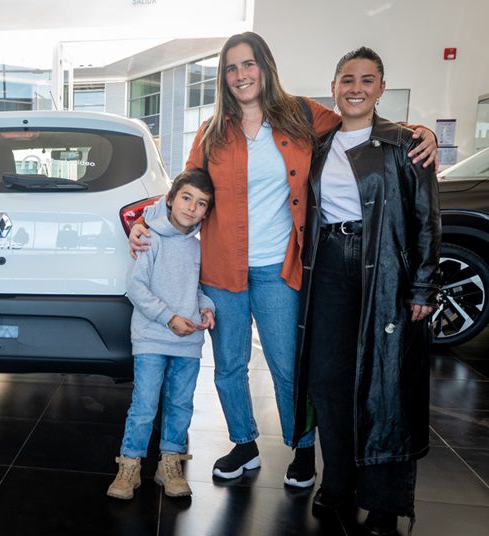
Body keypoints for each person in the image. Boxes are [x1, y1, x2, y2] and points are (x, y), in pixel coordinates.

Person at [129, 32, 438, 488]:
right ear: (224, 77)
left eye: (248, 64)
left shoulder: (302, 115)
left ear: (265, 67)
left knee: (287, 364)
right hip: (222, 271)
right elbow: (185, 189)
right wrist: (145, 223)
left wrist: (417, 132)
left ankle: (303, 446)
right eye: (232, 68)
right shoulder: (213, 130)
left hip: (281, 267)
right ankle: (244, 444)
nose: (241, 75)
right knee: (230, 365)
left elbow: (362, 120)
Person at [292, 47, 440, 536]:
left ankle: (385, 501)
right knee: (329, 379)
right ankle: (339, 482)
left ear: (380, 87)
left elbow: (425, 217)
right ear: (333, 86)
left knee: (386, 382)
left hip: (387, 275)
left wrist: (422, 285)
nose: (355, 87)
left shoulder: (404, 143)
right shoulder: (320, 141)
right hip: (330, 266)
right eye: (346, 78)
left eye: (367, 79)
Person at [107, 170, 216, 500]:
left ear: (206, 212)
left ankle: (169, 463)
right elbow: (135, 288)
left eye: (201, 204)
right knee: (144, 405)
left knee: (180, 404)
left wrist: (206, 308)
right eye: (186, 198)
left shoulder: (198, 248)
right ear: (169, 199)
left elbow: (196, 290)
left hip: (188, 342)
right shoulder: (149, 238)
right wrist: (169, 318)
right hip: (152, 337)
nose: (191, 207)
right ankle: (130, 466)